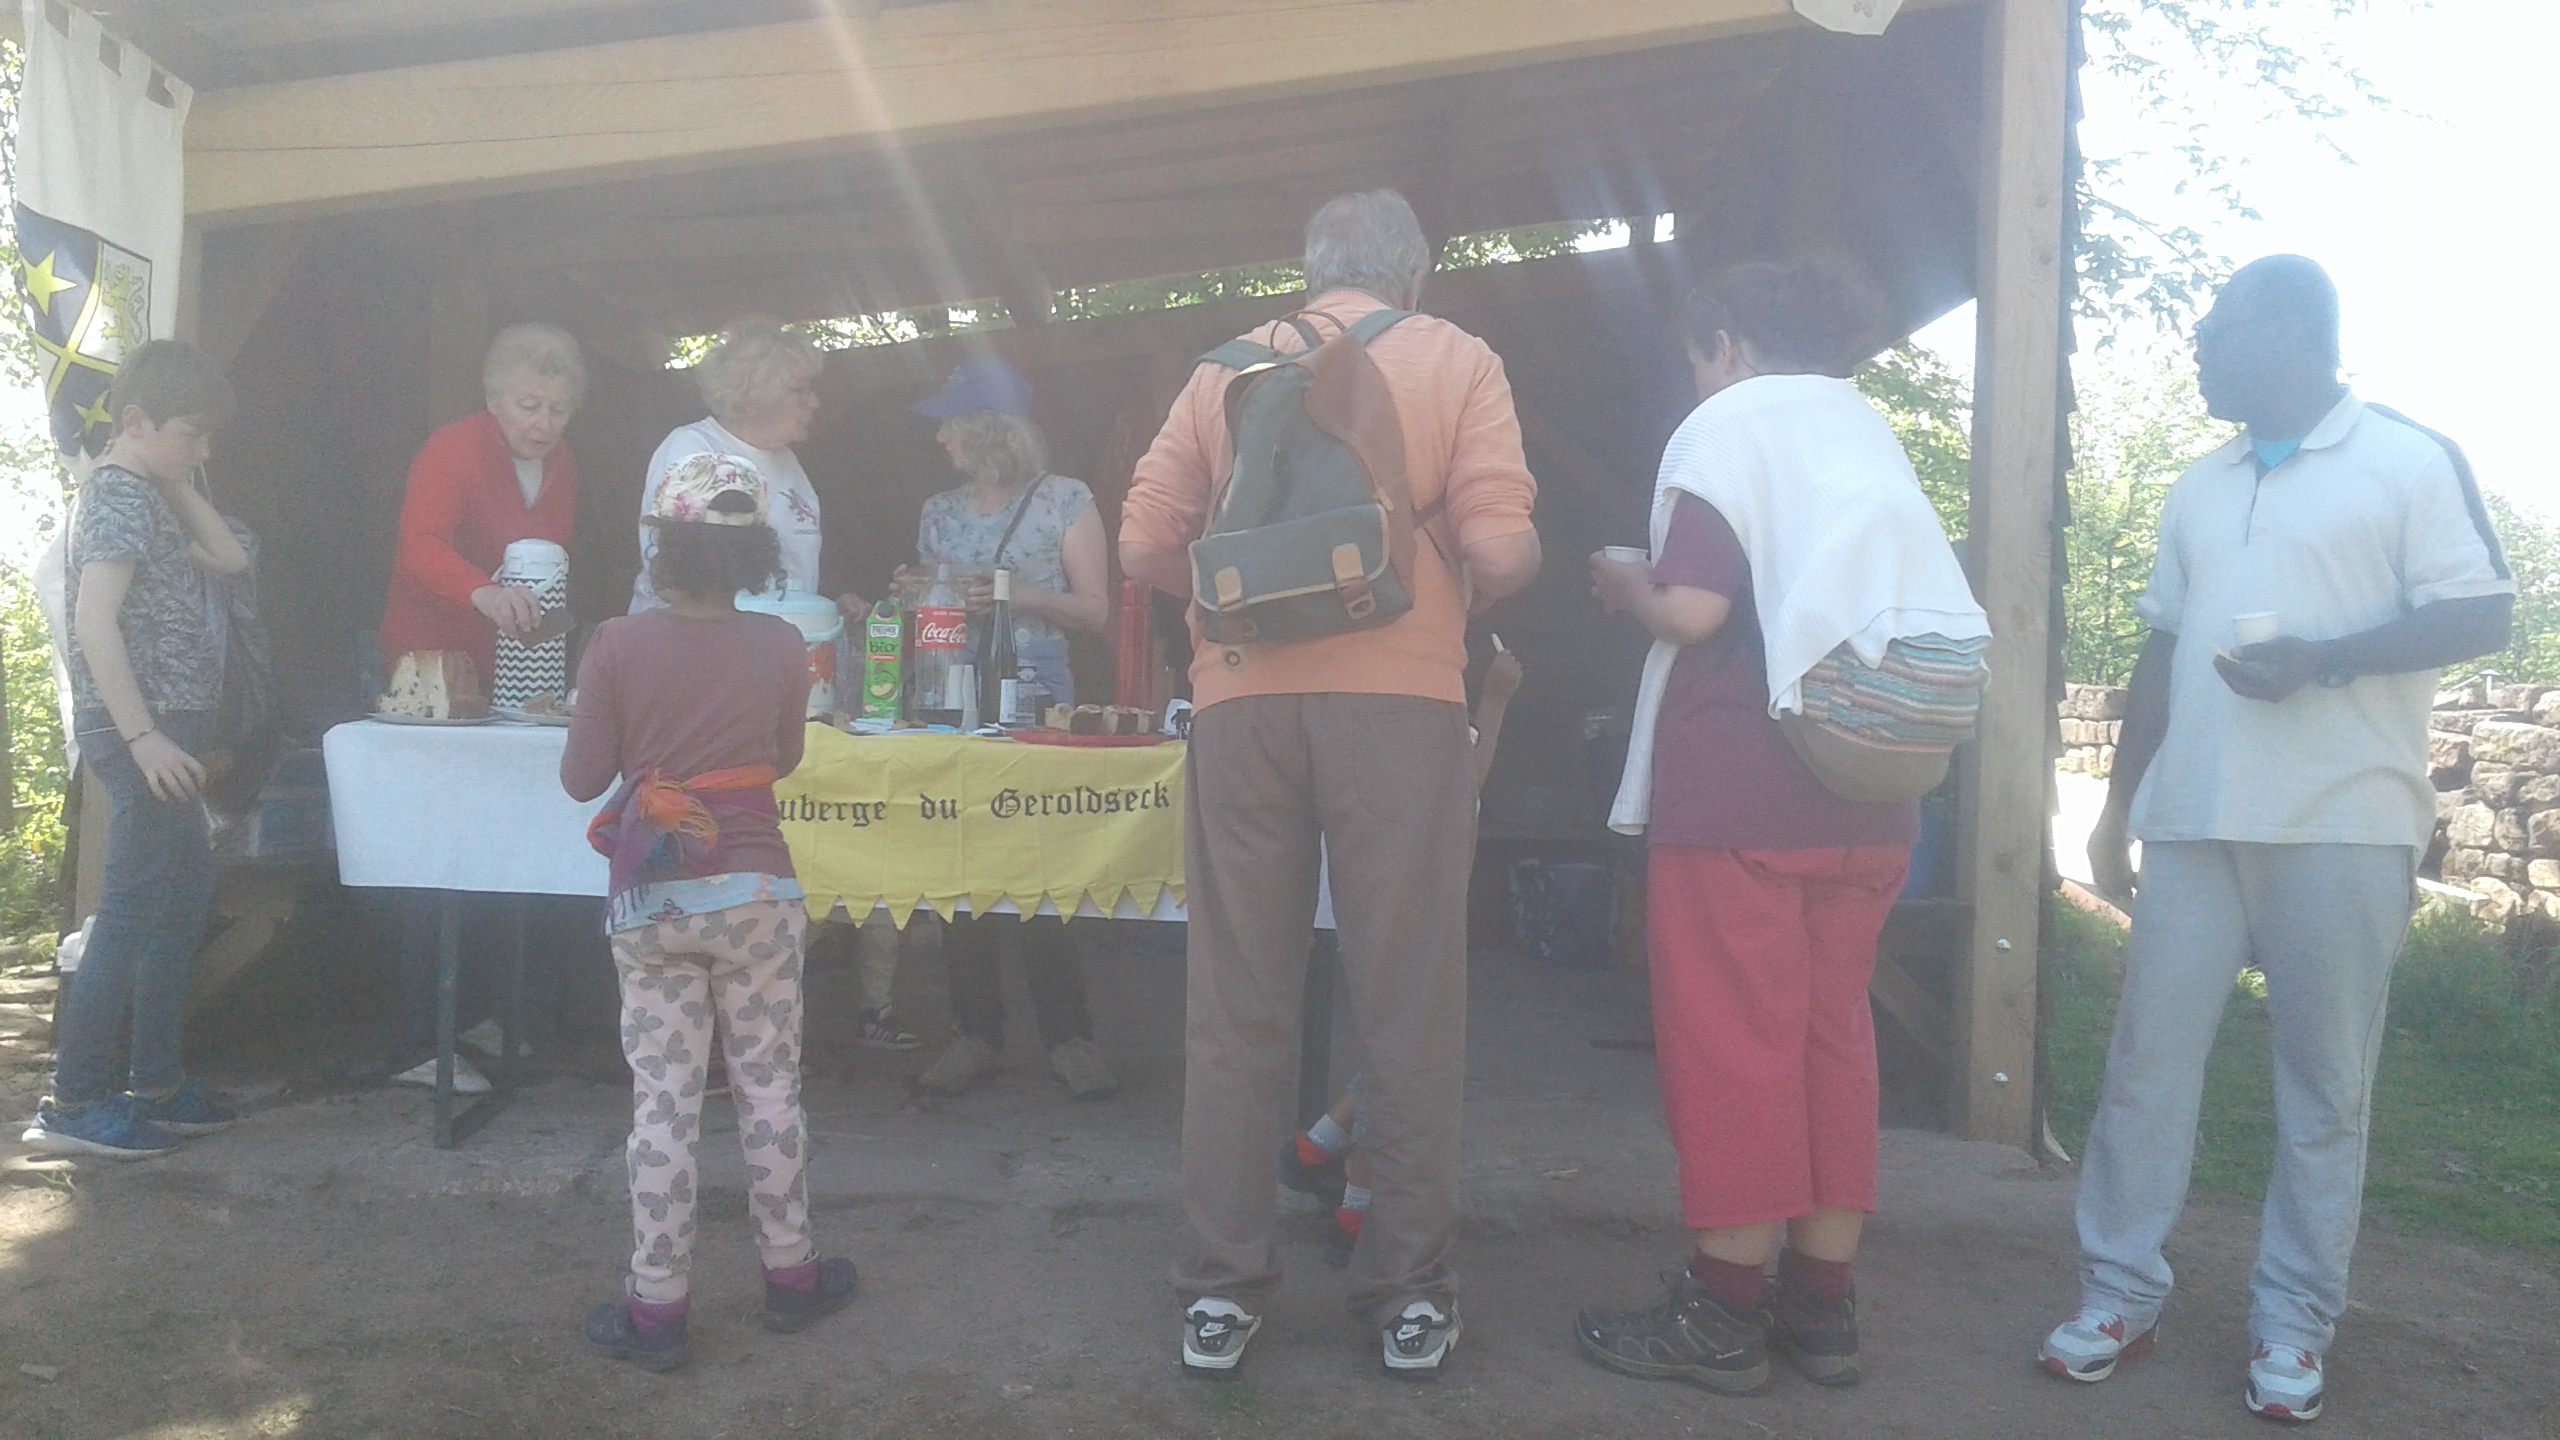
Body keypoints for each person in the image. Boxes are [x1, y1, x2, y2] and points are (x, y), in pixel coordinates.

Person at [2038, 256, 2514, 1424]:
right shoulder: (2198, 485)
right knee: (2146, 1066)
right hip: (2194, 820)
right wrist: (2115, 809)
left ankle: (2293, 1323)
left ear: (2293, 332)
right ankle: (2116, 1294)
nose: (2196, 347)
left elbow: (2482, 610)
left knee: (2323, 1085)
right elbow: (2161, 646)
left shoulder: (2405, 458)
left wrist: (2326, 659)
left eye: (2217, 328)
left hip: (2344, 823)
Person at [1121, 189, 1541, 1378]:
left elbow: (1144, 544)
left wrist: (1245, 588)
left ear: (1309, 270)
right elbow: (1499, 552)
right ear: (1415, 275)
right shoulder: (1457, 358)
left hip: (1240, 704)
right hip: (1402, 710)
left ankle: (1220, 1292)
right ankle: (1405, 1293)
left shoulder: (1227, 367)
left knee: (1234, 1001)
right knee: (1406, 999)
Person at [1574, 258, 1987, 1395]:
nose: (1700, 379)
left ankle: (1721, 1308)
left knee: (1733, 1047)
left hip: (1740, 795)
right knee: (1829, 1040)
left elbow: (1694, 608)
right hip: (1874, 791)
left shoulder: (1733, 426)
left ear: (1729, 346)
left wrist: (1625, 583)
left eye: (1699, 358)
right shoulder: (1868, 433)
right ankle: (1822, 1304)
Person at [564, 454, 860, 1371]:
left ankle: (656, 1310)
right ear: (755, 552)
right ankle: (792, 1277)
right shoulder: (780, 644)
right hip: (757, 895)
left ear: (662, 545)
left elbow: (580, 778)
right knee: (770, 1089)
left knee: (665, 1104)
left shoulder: (616, 642)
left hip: (653, 899)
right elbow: (783, 761)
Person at [633, 318, 921, 1051]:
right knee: (707, 857)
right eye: (801, 388)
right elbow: (678, 578)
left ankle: (751, 1028)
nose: (815, 402)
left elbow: (791, 580)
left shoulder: (791, 464)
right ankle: (701, 1034)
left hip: (775, 688)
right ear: (756, 390)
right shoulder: (691, 451)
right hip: (697, 692)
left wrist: (828, 606)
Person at [23, 342, 245, 1158]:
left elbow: (231, 558)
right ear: (135, 422)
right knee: (129, 910)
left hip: (170, 728)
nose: (204, 451)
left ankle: (154, 1082)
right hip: (142, 732)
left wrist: (177, 477)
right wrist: (143, 737)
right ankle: (73, 1103)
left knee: (183, 898)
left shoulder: (147, 494)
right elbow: (92, 622)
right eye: (191, 435)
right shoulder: (116, 499)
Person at [377, 323, 586, 1094]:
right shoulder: (452, 450)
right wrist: (486, 594)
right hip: (433, 672)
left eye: (558, 409)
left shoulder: (563, 466)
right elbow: (419, 547)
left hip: (512, 677)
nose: (543, 423)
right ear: (494, 399)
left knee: (506, 842)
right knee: (438, 850)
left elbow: (546, 565)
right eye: (529, 405)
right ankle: (417, 1039)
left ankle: (484, 1017)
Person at [906, 354, 1118, 1101]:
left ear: (988, 430)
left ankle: (1069, 1037)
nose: (939, 438)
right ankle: (976, 1034)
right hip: (952, 692)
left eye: (950, 425)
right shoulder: (938, 511)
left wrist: (1016, 592)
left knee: (1040, 860)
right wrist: (918, 596)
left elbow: (1096, 611)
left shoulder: (1065, 499)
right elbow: (931, 610)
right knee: (959, 860)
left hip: (1036, 693)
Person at [1282, 642, 1523, 1245]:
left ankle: (1317, 1148)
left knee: (1394, 1052)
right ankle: (1354, 1213)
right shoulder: (1420, 725)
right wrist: (1496, 701)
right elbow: (1468, 784)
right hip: (1409, 910)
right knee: (1403, 1058)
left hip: (1390, 901)